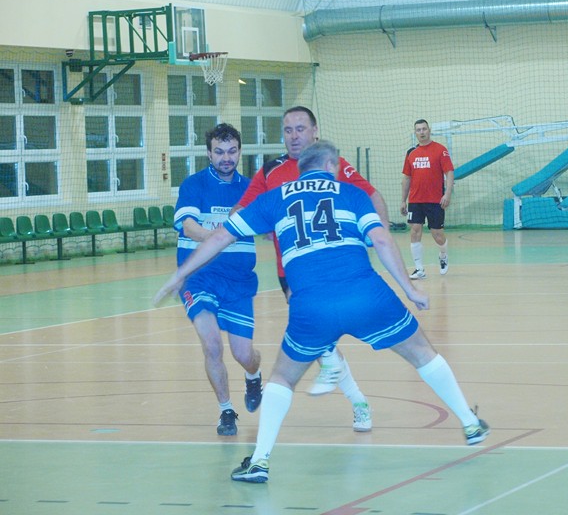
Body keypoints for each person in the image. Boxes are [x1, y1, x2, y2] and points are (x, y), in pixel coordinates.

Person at [154, 140, 490, 484]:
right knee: (422, 353)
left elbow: (218, 238)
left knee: (283, 378)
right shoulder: (352, 194)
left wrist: (180, 275)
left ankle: (259, 461)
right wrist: (410, 289)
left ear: (301, 169)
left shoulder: (274, 198)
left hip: (311, 306)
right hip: (366, 295)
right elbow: (383, 241)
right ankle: (469, 424)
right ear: (331, 166)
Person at [231, 106, 385, 431]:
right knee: (321, 341)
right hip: (292, 273)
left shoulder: (332, 164)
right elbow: (242, 210)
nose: (294, 136)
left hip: (337, 270)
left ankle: (356, 398)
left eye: (300, 128)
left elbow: (372, 195)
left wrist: (377, 234)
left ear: (315, 131)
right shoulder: (270, 171)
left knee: (323, 339)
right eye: (288, 130)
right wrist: (241, 227)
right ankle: (359, 402)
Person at [172, 123, 262, 436]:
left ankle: (254, 376)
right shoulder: (194, 184)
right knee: (211, 344)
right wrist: (217, 238)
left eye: (232, 151)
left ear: (240, 151)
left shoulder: (251, 189)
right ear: (209, 153)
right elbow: (187, 225)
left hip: (238, 283)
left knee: (244, 355)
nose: (226, 158)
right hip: (199, 279)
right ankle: (226, 410)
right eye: (219, 152)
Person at [401, 119, 455, 279]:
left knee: (437, 234)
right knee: (415, 231)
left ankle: (443, 255)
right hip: (415, 200)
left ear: (429, 130)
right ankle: (419, 269)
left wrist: (447, 194)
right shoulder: (411, 153)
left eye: (424, 129)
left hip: (435, 200)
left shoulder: (440, 150)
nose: (422, 132)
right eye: (418, 130)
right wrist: (403, 200)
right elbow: (407, 178)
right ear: (415, 133)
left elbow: (449, 172)